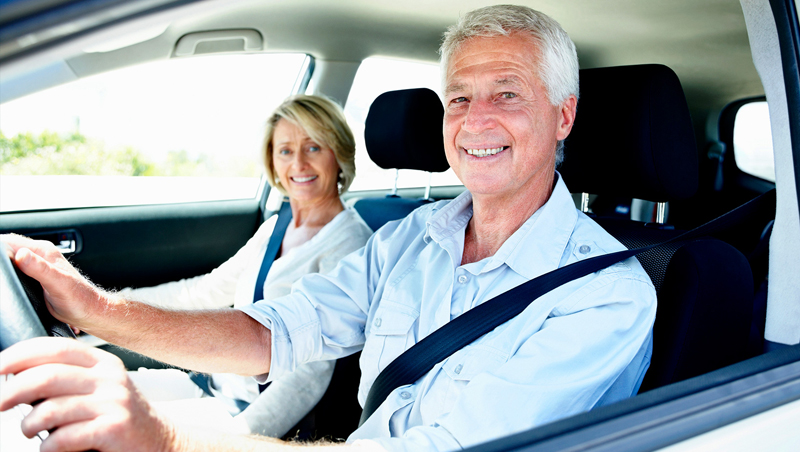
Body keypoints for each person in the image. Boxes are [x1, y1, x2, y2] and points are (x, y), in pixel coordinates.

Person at [0, 5, 657, 452]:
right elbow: (272, 333)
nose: (475, 120)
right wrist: (97, 310)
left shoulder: (607, 297)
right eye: (459, 97)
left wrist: (167, 439)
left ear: (563, 116)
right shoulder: (409, 239)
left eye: (507, 93)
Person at [116, 94, 373, 437]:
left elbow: (309, 376)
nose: (297, 163)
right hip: (214, 388)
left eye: (313, 148)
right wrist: (113, 304)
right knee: (96, 392)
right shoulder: (275, 228)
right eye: (285, 150)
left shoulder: (351, 243)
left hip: (251, 419)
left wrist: (239, 440)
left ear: (338, 154)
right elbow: (204, 292)